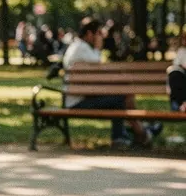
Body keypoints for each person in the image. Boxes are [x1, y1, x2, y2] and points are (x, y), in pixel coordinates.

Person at [62, 17, 158, 149]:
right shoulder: (82, 48)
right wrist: (98, 47)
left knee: (122, 93)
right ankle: (136, 132)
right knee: (120, 98)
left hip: (80, 98)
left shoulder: (77, 46)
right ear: (90, 33)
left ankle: (135, 131)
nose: (100, 37)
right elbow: (98, 64)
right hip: (78, 102)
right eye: (98, 34)